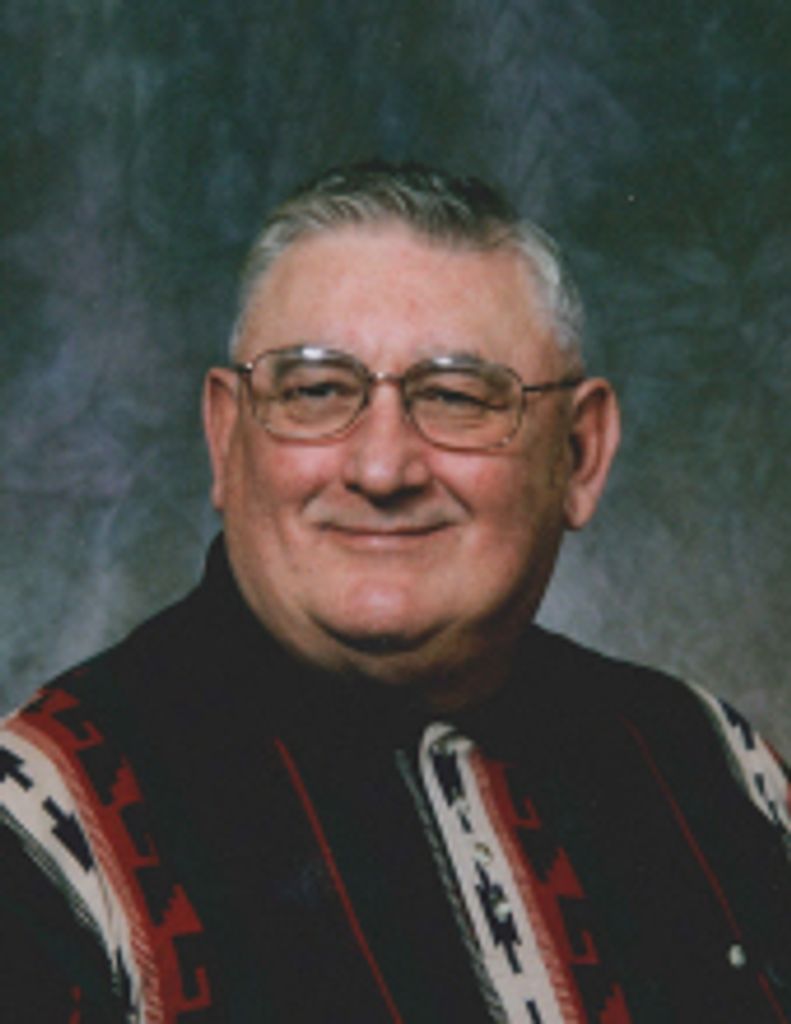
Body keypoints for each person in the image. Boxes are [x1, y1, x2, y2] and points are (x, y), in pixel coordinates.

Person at [1, 162, 790, 1023]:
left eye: (456, 397)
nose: (382, 469)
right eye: (315, 391)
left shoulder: (712, 769)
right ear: (226, 438)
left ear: (578, 454)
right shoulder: (43, 825)